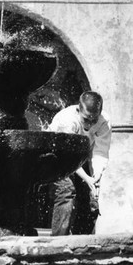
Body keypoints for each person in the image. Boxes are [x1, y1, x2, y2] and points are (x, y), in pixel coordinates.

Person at [48, 91, 112, 235]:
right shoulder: (67, 120)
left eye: (93, 120)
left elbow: (100, 151)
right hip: (57, 156)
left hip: (82, 157)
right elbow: (68, 157)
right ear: (78, 110)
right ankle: (58, 240)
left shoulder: (104, 122)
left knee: (91, 198)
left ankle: (82, 241)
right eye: (86, 120)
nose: (89, 125)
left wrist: (96, 176)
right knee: (66, 191)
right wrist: (87, 178)